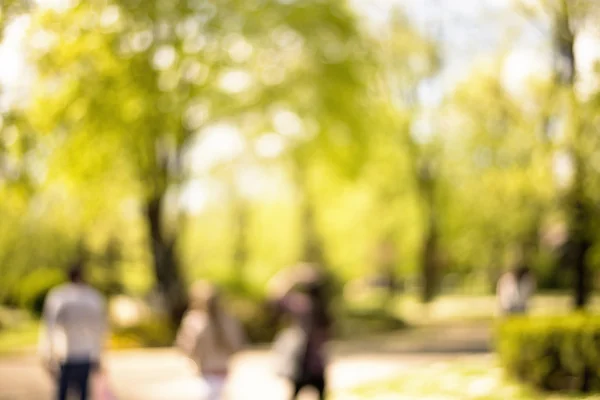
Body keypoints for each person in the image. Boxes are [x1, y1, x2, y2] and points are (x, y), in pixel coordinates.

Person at [39, 262, 108, 400]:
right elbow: (101, 329)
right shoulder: (94, 297)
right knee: (83, 393)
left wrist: (46, 353)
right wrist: (99, 354)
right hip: (85, 354)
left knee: (62, 393)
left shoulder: (58, 296)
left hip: (64, 355)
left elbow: (49, 327)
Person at [268, 263, 332, 400]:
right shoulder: (322, 308)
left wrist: (290, 276)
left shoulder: (302, 305)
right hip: (316, 362)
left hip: (302, 361)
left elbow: (275, 295)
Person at [175, 281, 246, 400]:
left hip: (205, 368)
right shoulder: (228, 320)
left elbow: (186, 347)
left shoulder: (194, 321)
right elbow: (237, 345)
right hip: (223, 368)